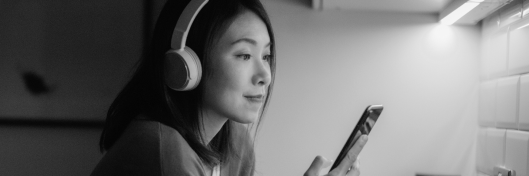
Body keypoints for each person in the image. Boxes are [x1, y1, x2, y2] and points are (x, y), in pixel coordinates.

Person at [90, 0, 367, 175]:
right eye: (244, 55)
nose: (265, 76)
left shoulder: (234, 143)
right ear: (186, 63)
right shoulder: (160, 150)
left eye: (266, 56)